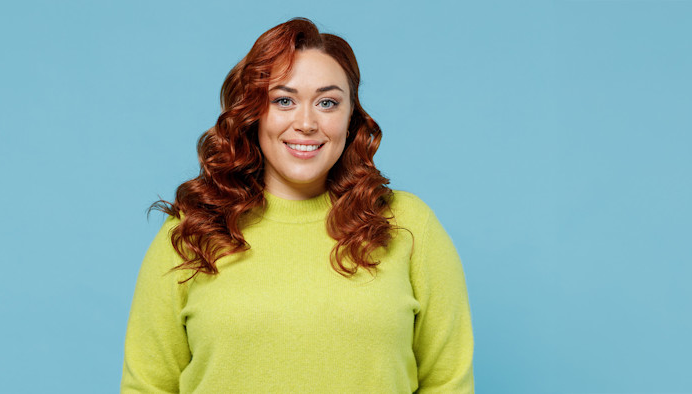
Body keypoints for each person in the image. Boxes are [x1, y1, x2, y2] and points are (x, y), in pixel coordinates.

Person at [121, 17, 474, 393]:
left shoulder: (408, 224)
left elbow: (447, 383)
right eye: (284, 100)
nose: (306, 123)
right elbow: (148, 386)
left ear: (350, 117)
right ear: (254, 112)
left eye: (327, 102)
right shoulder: (192, 229)